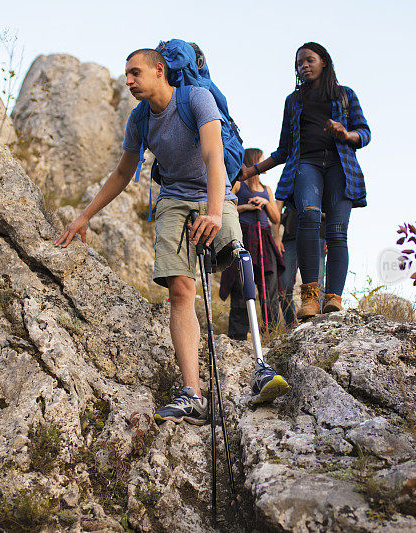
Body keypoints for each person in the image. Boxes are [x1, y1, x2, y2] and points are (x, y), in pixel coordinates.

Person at [55, 48, 289, 425]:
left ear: (159, 70)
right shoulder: (139, 120)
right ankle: (192, 395)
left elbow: (214, 156)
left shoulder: (196, 98)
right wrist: (84, 215)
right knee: (180, 288)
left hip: (214, 194)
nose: (128, 81)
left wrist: (215, 212)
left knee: (241, 258)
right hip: (173, 201)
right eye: (126, 75)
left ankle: (261, 365)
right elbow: (121, 173)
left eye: (135, 73)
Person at [240, 42, 371, 320]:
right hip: (306, 164)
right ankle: (311, 297)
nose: (304, 66)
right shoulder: (294, 101)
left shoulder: (345, 95)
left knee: (336, 231)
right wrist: (251, 171)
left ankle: (333, 297)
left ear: (324, 61)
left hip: (340, 166)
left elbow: (365, 133)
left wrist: (346, 134)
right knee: (308, 219)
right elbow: (284, 149)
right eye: (300, 63)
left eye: (310, 60)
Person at [220, 148, 283, 340]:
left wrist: (264, 204)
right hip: (245, 236)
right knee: (241, 285)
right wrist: (247, 206)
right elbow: (225, 207)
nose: (264, 164)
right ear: (253, 160)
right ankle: (238, 336)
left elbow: (276, 218)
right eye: (261, 160)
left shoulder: (267, 190)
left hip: (264, 238)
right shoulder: (238, 185)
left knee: (269, 285)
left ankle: (272, 333)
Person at [276, 203, 325, 327]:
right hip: (290, 237)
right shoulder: (287, 183)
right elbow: (278, 206)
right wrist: (276, 236)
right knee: (284, 286)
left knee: (318, 284)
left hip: (317, 236)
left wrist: (331, 237)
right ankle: (292, 326)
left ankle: (319, 324)